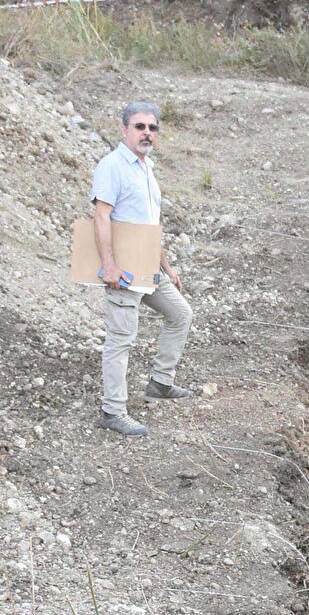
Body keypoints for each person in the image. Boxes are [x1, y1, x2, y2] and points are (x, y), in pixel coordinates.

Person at [92, 100, 194, 437]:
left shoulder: (145, 167)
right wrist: (108, 265)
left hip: (149, 263)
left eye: (152, 128)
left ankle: (161, 383)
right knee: (121, 338)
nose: (146, 133)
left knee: (180, 313)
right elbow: (102, 215)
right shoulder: (112, 166)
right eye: (139, 126)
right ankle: (113, 411)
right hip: (123, 267)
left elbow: (149, 223)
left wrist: (166, 265)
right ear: (123, 130)